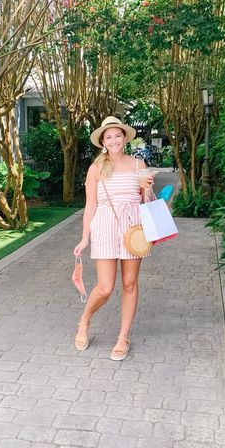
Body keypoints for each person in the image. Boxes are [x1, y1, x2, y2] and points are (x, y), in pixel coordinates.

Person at [73, 116, 155, 361]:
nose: (114, 140)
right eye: (108, 137)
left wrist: (148, 188)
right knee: (106, 287)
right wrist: (85, 237)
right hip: (105, 227)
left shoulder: (139, 164)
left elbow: (147, 203)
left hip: (133, 229)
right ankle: (84, 321)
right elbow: (90, 206)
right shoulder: (96, 168)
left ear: (124, 138)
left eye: (117, 135)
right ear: (102, 142)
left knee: (130, 283)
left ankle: (123, 337)